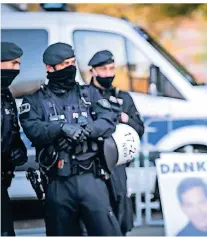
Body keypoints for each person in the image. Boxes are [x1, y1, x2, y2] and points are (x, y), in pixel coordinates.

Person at [19, 42, 122, 236]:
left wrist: (86, 130)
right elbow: (33, 128)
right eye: (65, 64)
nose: (71, 68)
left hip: (91, 178)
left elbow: (108, 120)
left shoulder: (89, 94)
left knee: (107, 231)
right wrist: (62, 129)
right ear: (50, 68)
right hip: (58, 183)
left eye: (73, 62)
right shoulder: (34, 101)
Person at [87, 50, 144, 235]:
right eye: (103, 69)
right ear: (93, 71)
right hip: (91, 161)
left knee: (120, 202)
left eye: (111, 68)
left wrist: (125, 119)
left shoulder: (123, 97)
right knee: (96, 208)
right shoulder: (84, 96)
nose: (108, 73)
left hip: (118, 162)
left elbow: (139, 128)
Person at [1, 42, 28, 236]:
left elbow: (10, 127)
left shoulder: (6, 93)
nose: (17, 69)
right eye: (13, 63)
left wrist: (16, 146)